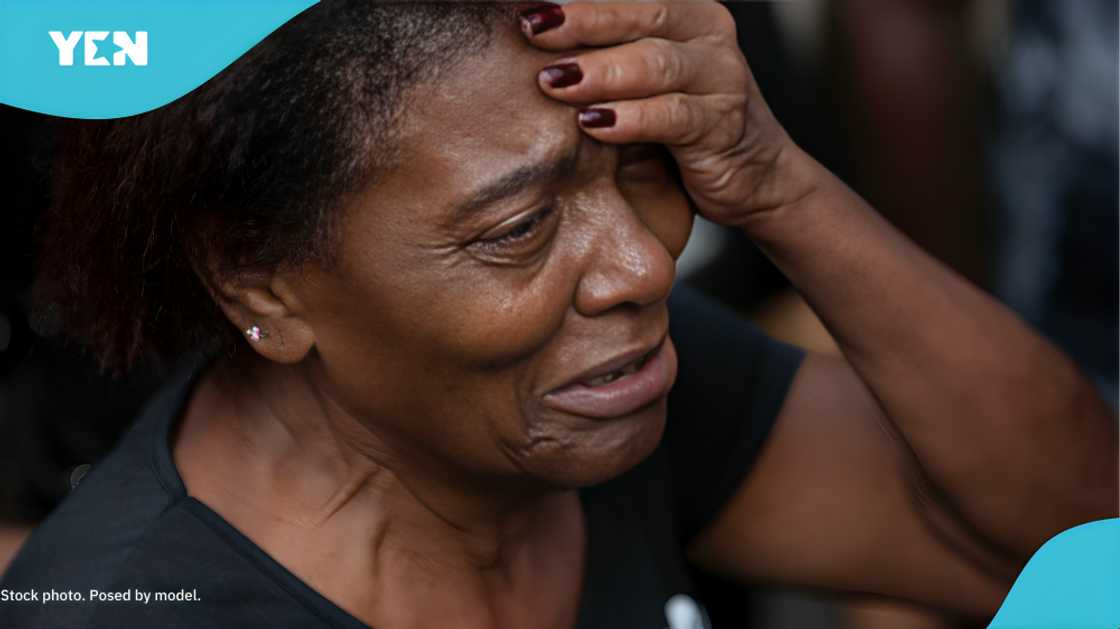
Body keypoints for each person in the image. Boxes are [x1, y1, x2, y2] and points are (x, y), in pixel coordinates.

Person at [1, 3, 1115, 628]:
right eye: (516, 228)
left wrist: (773, 179)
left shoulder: (593, 391)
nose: (638, 266)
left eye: (642, 170)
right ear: (260, 278)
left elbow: (1075, 538)